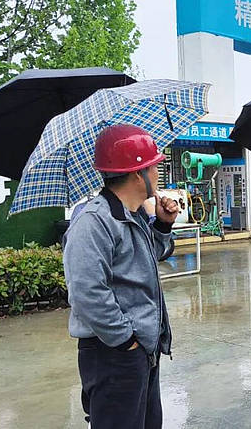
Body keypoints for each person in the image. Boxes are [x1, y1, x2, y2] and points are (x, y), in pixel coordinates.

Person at [63, 124, 179, 429]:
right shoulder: (94, 222)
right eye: (154, 166)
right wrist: (126, 342)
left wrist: (163, 225)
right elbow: (87, 293)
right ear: (139, 174)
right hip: (113, 355)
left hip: (141, 351)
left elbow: (148, 257)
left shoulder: (133, 214)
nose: (158, 173)